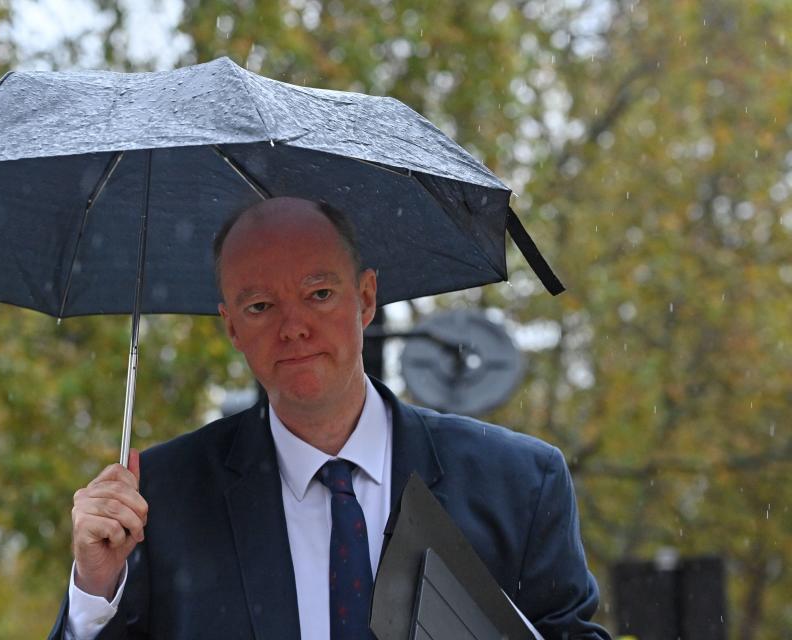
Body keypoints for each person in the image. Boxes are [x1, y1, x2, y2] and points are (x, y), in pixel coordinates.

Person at [49, 197, 609, 639]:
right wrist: (95, 590)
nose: (293, 327)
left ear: (365, 299)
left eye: (318, 293)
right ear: (231, 326)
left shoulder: (517, 483)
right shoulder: (159, 502)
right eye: (260, 306)